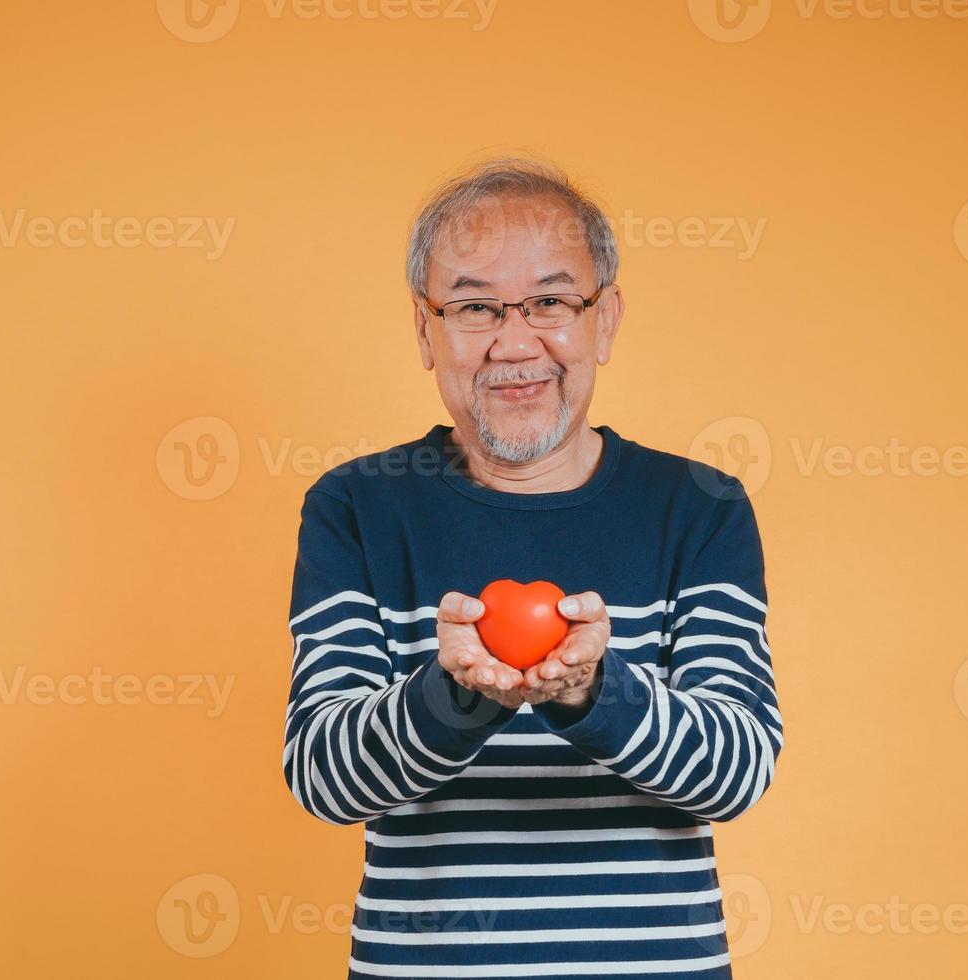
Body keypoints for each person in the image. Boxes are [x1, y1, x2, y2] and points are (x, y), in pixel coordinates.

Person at [282, 157, 784, 978]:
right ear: (424, 330)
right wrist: (455, 697)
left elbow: (736, 772)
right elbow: (322, 779)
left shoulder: (700, 504)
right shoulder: (356, 507)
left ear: (606, 321)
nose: (515, 343)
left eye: (550, 302)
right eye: (475, 307)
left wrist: (593, 691)